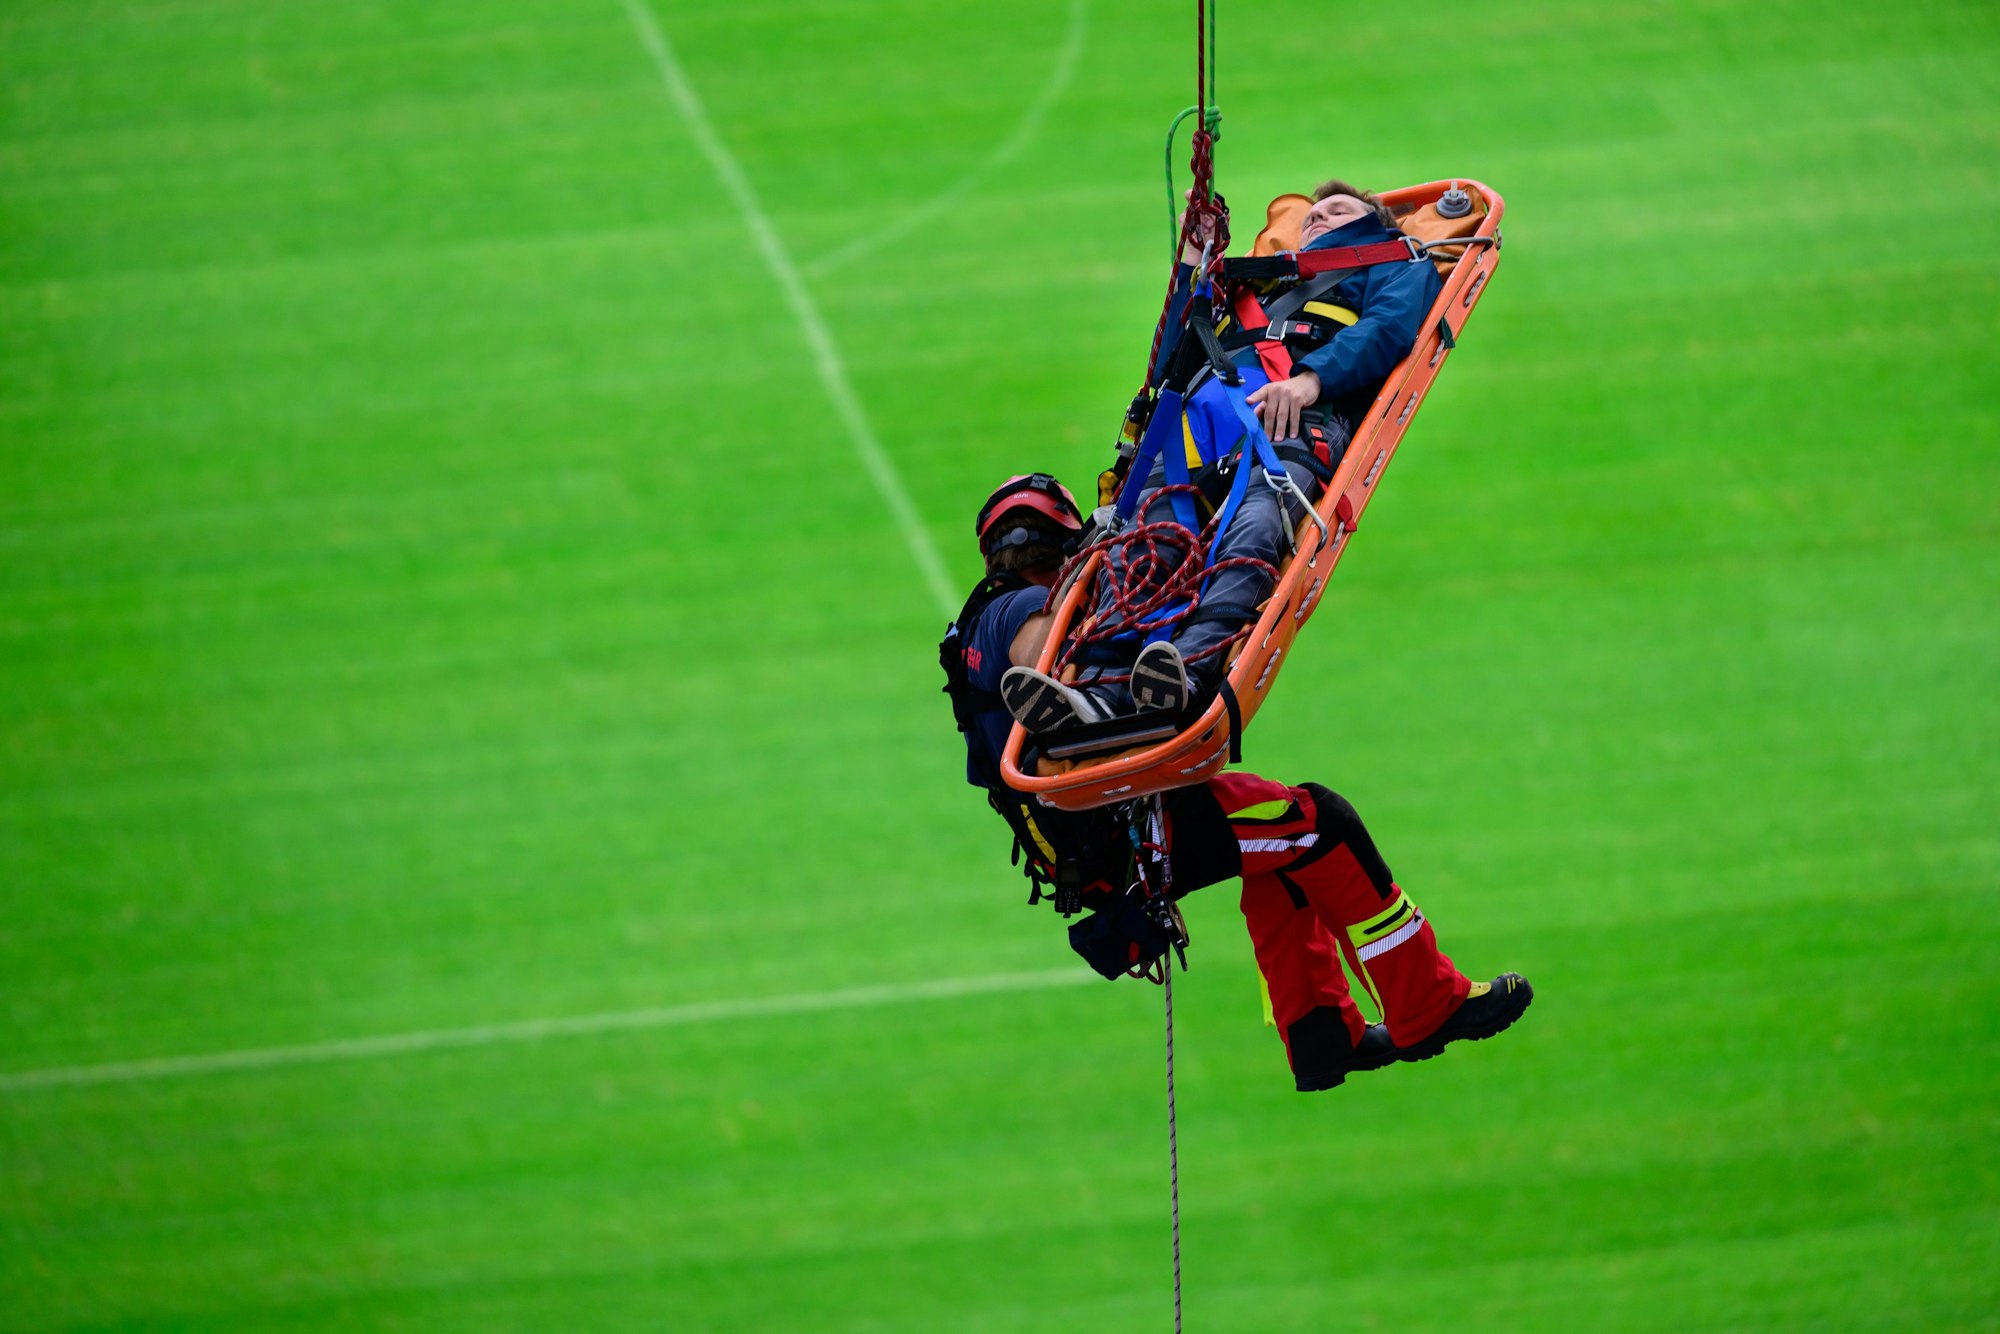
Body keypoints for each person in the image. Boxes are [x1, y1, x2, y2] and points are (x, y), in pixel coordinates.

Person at [943, 476, 1533, 1091]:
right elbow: (1042, 657)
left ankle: (1323, 1037)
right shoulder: (1012, 610)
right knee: (1322, 825)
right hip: (1128, 831)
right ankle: (1427, 1008)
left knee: (1282, 851)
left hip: (1102, 833)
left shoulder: (976, 625)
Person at [1000, 180, 1443, 734]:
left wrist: (1311, 380)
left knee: (1255, 526)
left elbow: (1390, 327)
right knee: (1143, 541)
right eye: (1311, 215)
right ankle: (1097, 688)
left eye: (1338, 211)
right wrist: (1193, 261)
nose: (1318, 219)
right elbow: (1172, 357)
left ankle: (1183, 670)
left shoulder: (1394, 262)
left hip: (1286, 421)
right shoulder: (1248, 284)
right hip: (1198, 429)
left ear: (1373, 225)